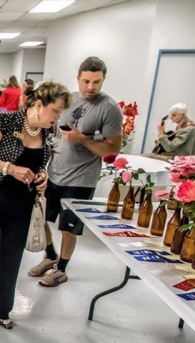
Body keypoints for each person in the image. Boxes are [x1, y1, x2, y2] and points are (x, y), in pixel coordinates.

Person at [0, 81, 73, 328]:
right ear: (38, 105)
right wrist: (10, 169)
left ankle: (1, 309)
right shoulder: (6, 121)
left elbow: (40, 164)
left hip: (21, 203)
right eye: (54, 111)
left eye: (59, 113)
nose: (56, 117)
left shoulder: (47, 133)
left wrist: (43, 178)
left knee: (11, 258)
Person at [28, 57, 123, 287]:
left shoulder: (109, 108)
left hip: (82, 178)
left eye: (97, 82)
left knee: (68, 228)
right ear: (78, 78)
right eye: (87, 81)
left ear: (103, 81)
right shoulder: (68, 100)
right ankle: (50, 257)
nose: (91, 87)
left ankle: (61, 269)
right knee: (42, 219)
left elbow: (113, 148)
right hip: (55, 172)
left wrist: (82, 139)